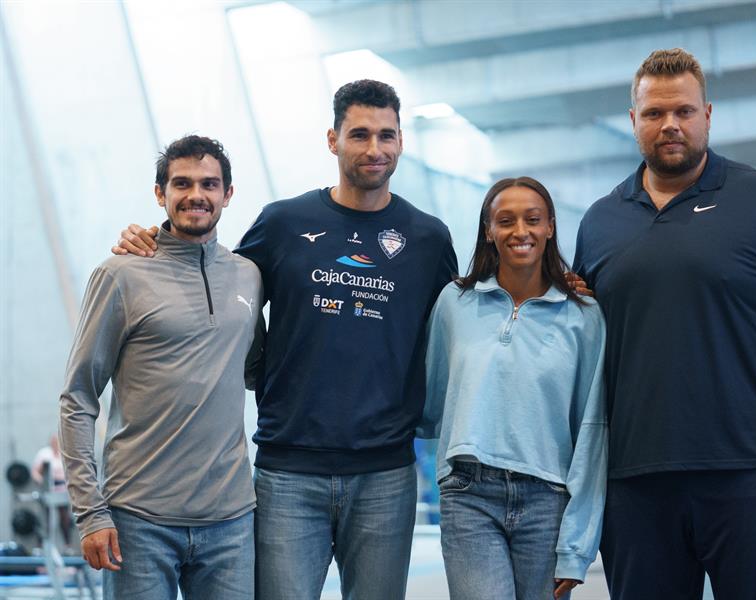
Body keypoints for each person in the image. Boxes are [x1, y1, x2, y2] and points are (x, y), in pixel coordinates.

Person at [115, 80, 458, 600]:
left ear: (401, 141)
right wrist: (151, 241)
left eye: (386, 135)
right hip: (288, 473)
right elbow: (215, 276)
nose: (374, 149)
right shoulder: (284, 224)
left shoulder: (428, 237)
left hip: (385, 473)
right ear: (332, 139)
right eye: (359, 134)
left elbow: (463, 319)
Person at [573, 48, 756, 600]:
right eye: (654, 113)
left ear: (707, 114)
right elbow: (582, 349)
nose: (670, 124)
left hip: (751, 475)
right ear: (634, 121)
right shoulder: (600, 222)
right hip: (634, 483)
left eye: (683, 111)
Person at [59, 135, 262, 599]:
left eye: (209, 184)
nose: (196, 195)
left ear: (227, 194)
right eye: (182, 183)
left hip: (231, 521)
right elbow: (78, 397)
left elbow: (259, 370)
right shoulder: (121, 275)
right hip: (138, 519)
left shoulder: (249, 276)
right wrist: (90, 511)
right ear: (160, 193)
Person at [421, 177, 607, 600]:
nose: (519, 231)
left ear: (550, 227)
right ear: (489, 229)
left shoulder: (585, 316)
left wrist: (577, 545)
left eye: (532, 219)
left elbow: (592, 431)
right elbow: (432, 399)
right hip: (468, 494)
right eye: (505, 221)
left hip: (548, 501)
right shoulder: (454, 302)